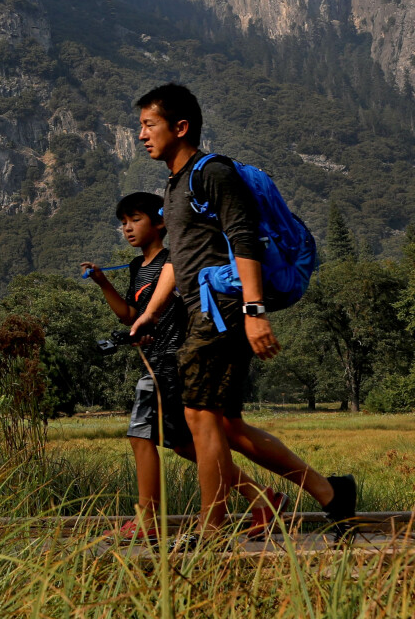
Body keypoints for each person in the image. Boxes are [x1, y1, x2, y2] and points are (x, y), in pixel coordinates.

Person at [135, 82, 359, 537]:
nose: (141, 134)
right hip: (206, 310)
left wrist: (254, 310)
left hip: (222, 311)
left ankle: (212, 528)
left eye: (148, 124)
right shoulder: (176, 184)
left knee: (200, 416)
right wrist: (152, 313)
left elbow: (245, 239)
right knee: (229, 426)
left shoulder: (211, 173)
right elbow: (180, 257)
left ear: (180, 127)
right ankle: (332, 494)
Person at [82, 193, 276, 539]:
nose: (127, 228)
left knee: (141, 434)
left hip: (174, 360)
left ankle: (148, 517)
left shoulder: (175, 261)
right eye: (123, 222)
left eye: (135, 219)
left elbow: (170, 310)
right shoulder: (136, 268)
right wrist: (102, 282)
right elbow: (131, 316)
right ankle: (261, 497)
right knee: (184, 444)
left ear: (160, 223)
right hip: (155, 361)